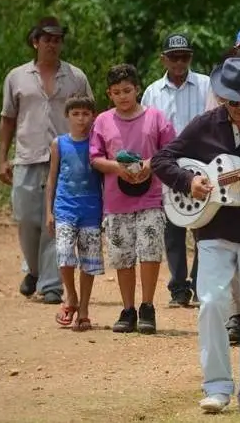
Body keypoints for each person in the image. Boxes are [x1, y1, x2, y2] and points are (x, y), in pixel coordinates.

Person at [153, 57, 240, 413]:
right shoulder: (203, 125)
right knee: (213, 304)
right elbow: (161, 160)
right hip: (213, 229)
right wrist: (189, 181)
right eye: (234, 102)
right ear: (221, 98)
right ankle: (216, 386)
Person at [0, 17, 92, 304]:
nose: (53, 44)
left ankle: (51, 286)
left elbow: (90, 115)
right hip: (27, 156)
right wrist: (2, 157)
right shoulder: (17, 76)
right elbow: (8, 118)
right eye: (47, 39)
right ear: (35, 41)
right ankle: (35, 270)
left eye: (58, 39)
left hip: (66, 158)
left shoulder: (76, 76)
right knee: (27, 219)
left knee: (56, 221)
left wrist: (92, 153)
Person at [89, 64, 176, 333]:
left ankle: (147, 306)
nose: (123, 96)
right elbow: (95, 157)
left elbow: (171, 150)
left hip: (150, 197)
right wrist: (117, 168)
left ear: (137, 89)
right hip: (116, 200)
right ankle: (127, 309)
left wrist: (149, 165)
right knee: (122, 255)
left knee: (150, 252)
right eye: (117, 92)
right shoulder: (102, 121)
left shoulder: (156, 118)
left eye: (127, 90)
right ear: (109, 94)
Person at [140, 33, 211, 308]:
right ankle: (178, 287)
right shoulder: (152, 92)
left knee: (204, 226)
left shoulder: (206, 85)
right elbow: (147, 131)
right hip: (168, 167)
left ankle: (200, 283)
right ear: (164, 59)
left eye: (184, 57)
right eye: (174, 57)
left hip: (202, 165)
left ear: (190, 58)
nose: (179, 62)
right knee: (173, 228)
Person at [44, 94, 103, 331]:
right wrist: (49, 211)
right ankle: (71, 297)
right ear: (67, 116)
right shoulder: (59, 143)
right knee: (64, 254)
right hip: (65, 208)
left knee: (89, 262)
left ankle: (85, 309)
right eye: (76, 114)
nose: (81, 118)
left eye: (86, 113)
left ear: (93, 116)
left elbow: (103, 181)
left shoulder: (97, 144)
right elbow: (52, 178)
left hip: (91, 209)